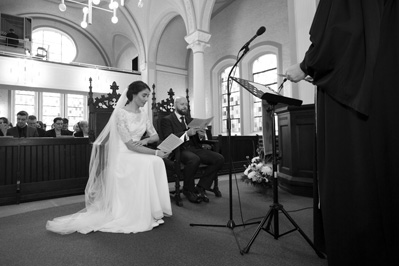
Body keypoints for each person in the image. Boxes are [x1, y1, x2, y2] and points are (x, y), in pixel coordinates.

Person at [285, 1, 398, 265]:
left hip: (350, 97)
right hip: (387, 84)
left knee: (355, 172)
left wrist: (305, 66)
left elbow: (337, 33)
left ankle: (358, 251)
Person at [46, 80, 172, 234]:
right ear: (133, 95)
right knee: (152, 160)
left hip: (137, 150)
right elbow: (130, 145)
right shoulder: (121, 113)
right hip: (124, 154)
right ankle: (137, 212)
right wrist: (156, 152)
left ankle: (154, 209)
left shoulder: (143, 113)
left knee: (157, 162)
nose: (146, 99)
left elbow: (155, 136)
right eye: (144, 95)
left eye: (148, 96)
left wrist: (145, 140)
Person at [160, 96, 224, 204]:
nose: (185, 107)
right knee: (194, 159)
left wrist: (202, 135)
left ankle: (201, 187)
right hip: (178, 150)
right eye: (182, 104)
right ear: (175, 105)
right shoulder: (166, 120)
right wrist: (186, 134)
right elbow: (168, 140)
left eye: (186, 104)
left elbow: (199, 139)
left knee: (219, 158)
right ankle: (188, 189)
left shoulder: (191, 120)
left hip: (194, 148)